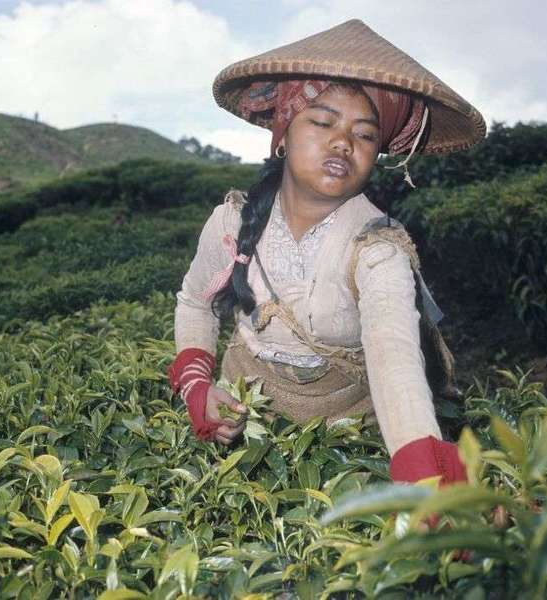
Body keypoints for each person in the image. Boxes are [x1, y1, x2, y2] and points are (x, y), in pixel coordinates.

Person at [168, 19, 485, 486]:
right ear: (283, 132)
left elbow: (394, 355)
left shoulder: (378, 249)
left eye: (365, 134)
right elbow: (196, 301)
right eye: (322, 122)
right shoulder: (232, 223)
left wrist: (421, 468)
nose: (343, 142)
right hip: (246, 423)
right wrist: (198, 388)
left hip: (348, 433)